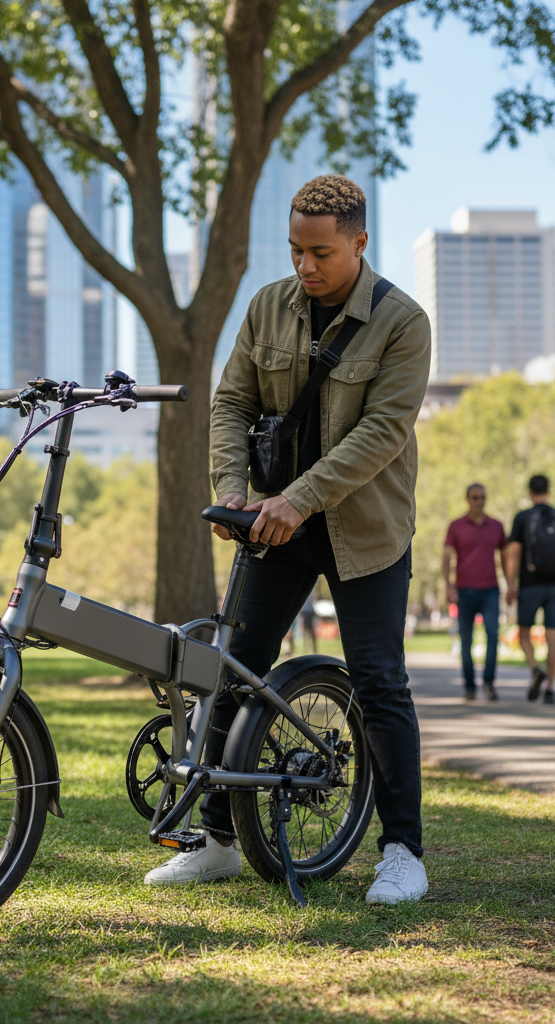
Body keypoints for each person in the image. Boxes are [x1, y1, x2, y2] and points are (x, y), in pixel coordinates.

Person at [144, 175, 431, 904]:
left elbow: (380, 435)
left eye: (322, 252)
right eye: (297, 250)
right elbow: (233, 400)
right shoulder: (268, 305)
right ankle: (216, 841)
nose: (306, 265)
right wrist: (233, 488)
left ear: (360, 242)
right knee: (233, 668)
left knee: (378, 680)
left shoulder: (404, 322)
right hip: (274, 522)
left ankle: (403, 851)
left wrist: (298, 499)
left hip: (365, 529)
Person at [442, 483, 509, 701]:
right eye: (475, 498)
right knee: (466, 640)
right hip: (465, 591)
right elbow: (446, 556)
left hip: (491, 591)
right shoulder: (456, 526)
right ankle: (470, 686)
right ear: (468, 500)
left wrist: (510, 584)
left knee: (492, 636)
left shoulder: (496, 526)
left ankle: (489, 683)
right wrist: (448, 586)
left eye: (482, 498)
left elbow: (506, 556)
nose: (479, 501)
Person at [505, 475, 555, 703]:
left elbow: (514, 552)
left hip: (530, 585)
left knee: (524, 633)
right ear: (548, 490)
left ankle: (535, 669)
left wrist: (510, 583)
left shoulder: (523, 517)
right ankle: (549, 689)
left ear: (530, 492)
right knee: (553, 637)